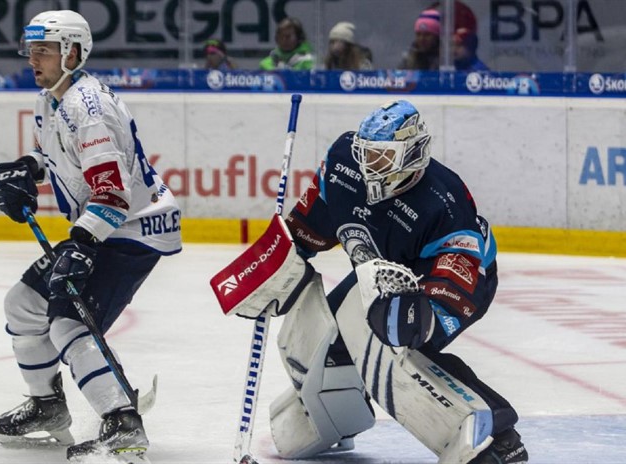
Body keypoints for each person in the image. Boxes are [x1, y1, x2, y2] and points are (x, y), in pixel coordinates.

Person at [225, 100, 529, 463]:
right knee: (324, 337)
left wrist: (415, 324)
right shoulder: (343, 164)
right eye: (365, 153)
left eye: (382, 157)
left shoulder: (445, 202)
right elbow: (308, 229)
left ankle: (498, 436)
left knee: (399, 345)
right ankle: (338, 419)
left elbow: (452, 284)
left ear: (412, 154)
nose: (369, 166)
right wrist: (275, 264)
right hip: (381, 276)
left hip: (461, 281)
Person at [0, 9, 181, 462]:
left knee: (67, 321)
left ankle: (121, 422)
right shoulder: (52, 98)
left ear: (72, 52)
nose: (32, 58)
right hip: (105, 227)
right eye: (30, 49)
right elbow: (57, 156)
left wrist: (82, 245)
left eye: (44, 50)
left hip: (132, 230)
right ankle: (48, 406)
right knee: (23, 303)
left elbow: (112, 194)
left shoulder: (88, 109)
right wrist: (26, 169)